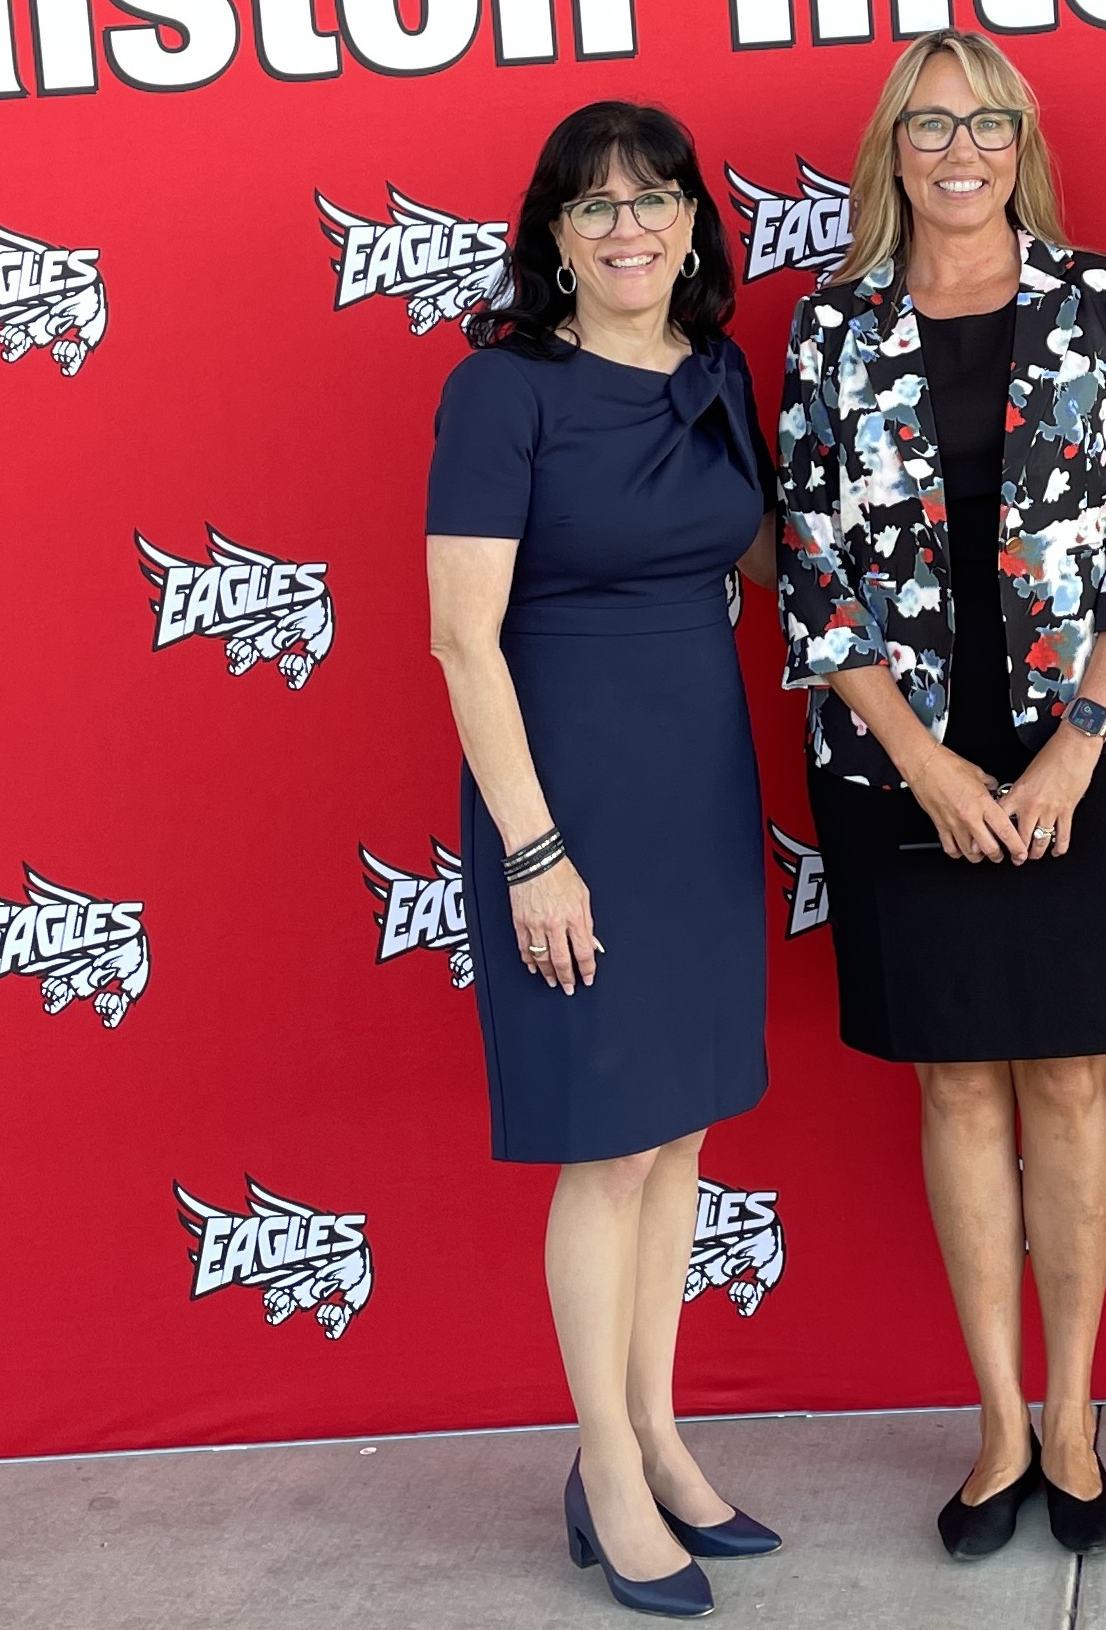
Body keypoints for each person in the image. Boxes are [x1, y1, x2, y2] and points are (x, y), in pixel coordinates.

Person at [776, 29, 1106, 1560]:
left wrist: (1073, 745)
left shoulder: (1103, 301)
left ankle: (1072, 1420)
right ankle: (999, 1425)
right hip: (901, 765)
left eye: (988, 121)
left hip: (1094, 752)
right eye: (931, 123)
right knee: (955, 1083)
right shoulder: (829, 325)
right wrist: (925, 761)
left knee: (1071, 1077)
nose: (962, 149)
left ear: (1024, 141)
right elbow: (808, 564)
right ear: (891, 148)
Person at [425, 101, 784, 1620]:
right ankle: (603, 1468)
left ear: (694, 223)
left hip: (697, 785)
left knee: (680, 1132)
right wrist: (535, 851)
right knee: (609, 1143)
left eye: (654, 200)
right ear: (556, 238)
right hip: (566, 799)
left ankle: (655, 1437)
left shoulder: (717, 373)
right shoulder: (501, 390)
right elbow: (463, 637)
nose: (628, 228)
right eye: (595, 207)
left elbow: (765, 552)